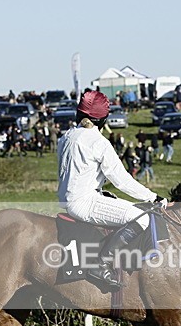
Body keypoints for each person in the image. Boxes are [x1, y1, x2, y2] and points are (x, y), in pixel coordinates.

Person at [57, 90, 166, 289]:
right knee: (141, 218)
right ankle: (101, 264)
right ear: (103, 119)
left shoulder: (65, 138)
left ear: (78, 114)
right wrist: (153, 197)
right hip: (84, 202)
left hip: (68, 199)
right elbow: (121, 180)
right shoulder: (98, 142)